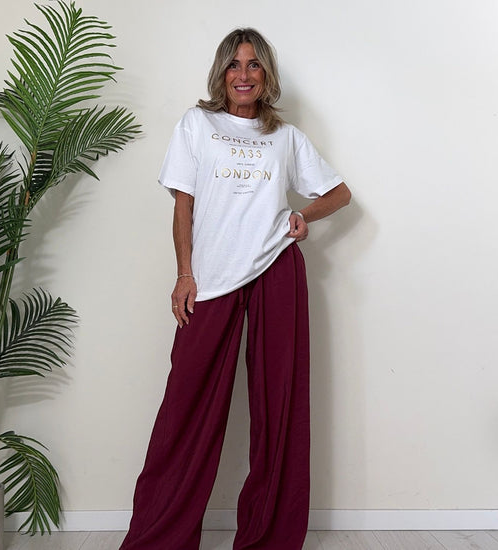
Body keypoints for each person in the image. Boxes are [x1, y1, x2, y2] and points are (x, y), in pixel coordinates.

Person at [120, 28, 351, 550]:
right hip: (212, 277)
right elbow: (183, 205)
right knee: (186, 406)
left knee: (279, 406)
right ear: (221, 72)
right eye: (234, 65)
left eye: (253, 65)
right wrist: (185, 274)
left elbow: (339, 193)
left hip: (276, 268)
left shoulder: (285, 137)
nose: (243, 75)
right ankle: (160, 538)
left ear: (266, 74)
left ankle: (269, 538)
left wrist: (303, 216)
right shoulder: (197, 124)